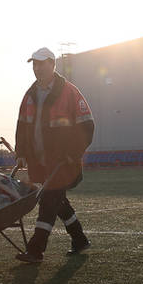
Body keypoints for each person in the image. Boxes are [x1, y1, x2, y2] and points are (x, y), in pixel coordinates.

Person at [14, 47, 94, 263]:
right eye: (34, 64)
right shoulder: (29, 95)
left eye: (41, 64)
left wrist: (73, 153)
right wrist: (21, 153)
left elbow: (87, 126)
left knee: (48, 202)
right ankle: (80, 240)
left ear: (52, 65)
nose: (37, 68)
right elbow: (22, 126)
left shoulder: (69, 92)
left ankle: (36, 249)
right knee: (58, 202)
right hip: (39, 162)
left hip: (63, 162)